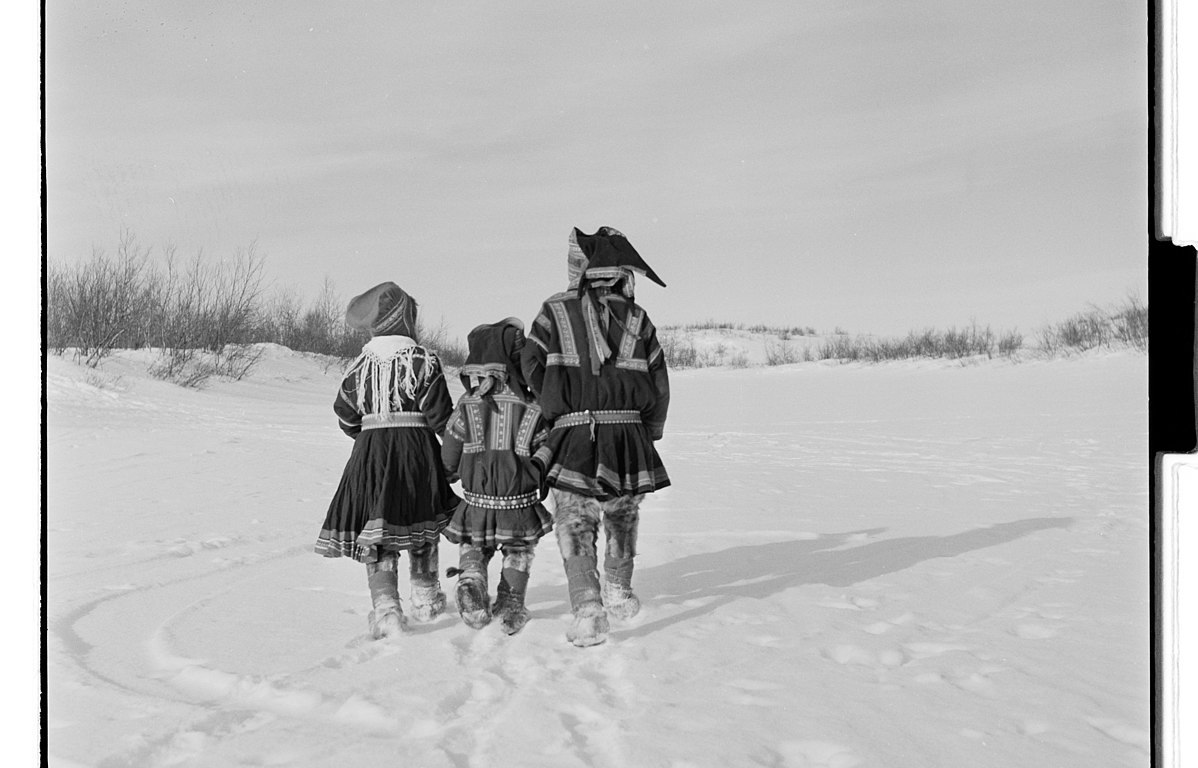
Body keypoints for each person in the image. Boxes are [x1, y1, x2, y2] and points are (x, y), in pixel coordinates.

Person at [522, 227, 670, 647]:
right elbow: (658, 380)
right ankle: (618, 589)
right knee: (622, 513)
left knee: (574, 518)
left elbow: (530, 362)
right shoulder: (638, 317)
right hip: (627, 433)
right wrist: (649, 432)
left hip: (573, 434)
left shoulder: (554, 310)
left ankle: (588, 608)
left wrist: (554, 404)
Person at [315, 281, 459, 639]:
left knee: (378, 532)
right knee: (422, 521)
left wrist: (370, 436)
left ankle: (386, 609)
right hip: (416, 451)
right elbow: (442, 418)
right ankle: (426, 599)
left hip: (371, 455)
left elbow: (345, 414)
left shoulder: (358, 366)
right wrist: (454, 456)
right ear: (404, 318)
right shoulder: (422, 361)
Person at [441, 318, 553, 635]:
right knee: (518, 550)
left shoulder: (467, 405)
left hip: (477, 499)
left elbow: (450, 451)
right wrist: (539, 478)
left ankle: (471, 579)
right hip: (519, 501)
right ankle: (510, 606)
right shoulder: (533, 407)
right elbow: (545, 451)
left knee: (474, 544)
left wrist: (451, 472)